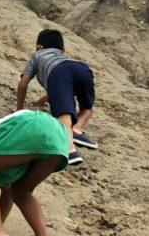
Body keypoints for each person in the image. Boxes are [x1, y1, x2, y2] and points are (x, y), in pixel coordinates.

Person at [16, 29, 97, 166]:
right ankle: (77, 128)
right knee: (87, 108)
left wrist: (19, 108)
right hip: (82, 69)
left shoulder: (37, 55)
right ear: (63, 50)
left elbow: (23, 83)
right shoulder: (63, 57)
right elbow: (60, 88)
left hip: (58, 71)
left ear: (39, 47)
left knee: (64, 113)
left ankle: (70, 148)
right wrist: (42, 101)